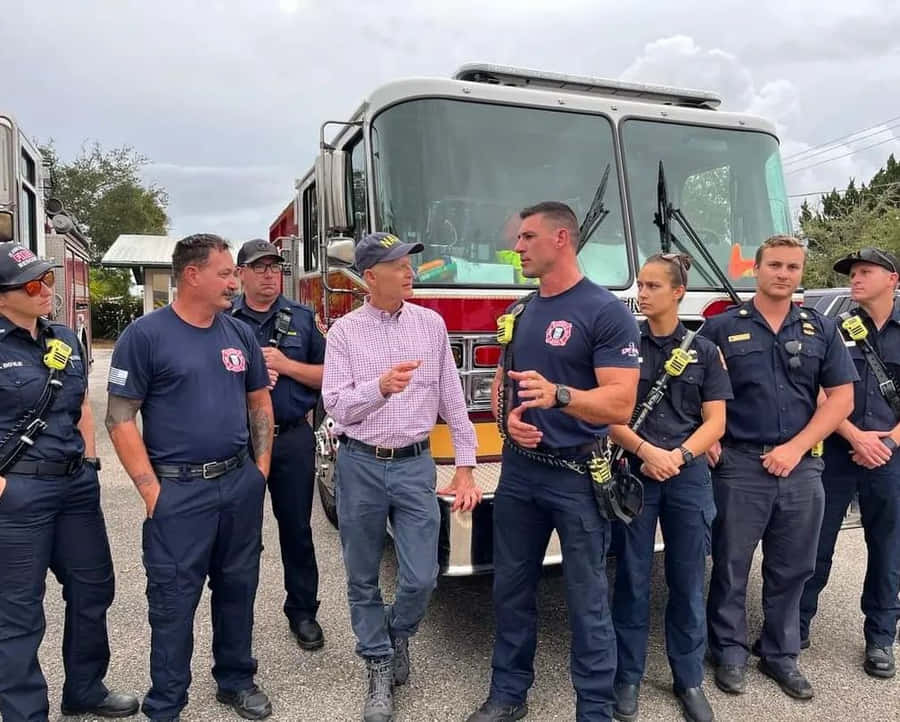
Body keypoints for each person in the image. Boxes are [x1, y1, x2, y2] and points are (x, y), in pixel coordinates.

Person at [467, 202, 640, 722]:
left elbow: (620, 405)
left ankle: (595, 708)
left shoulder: (605, 312)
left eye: (526, 237)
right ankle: (508, 694)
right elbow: (502, 386)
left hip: (579, 477)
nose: (517, 247)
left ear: (561, 238)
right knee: (510, 590)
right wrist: (507, 423)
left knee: (587, 600)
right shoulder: (520, 312)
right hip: (521, 474)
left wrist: (560, 396)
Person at [105, 234, 275, 722]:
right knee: (174, 602)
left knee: (238, 588)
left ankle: (236, 680)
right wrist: (151, 491)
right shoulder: (146, 335)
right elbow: (120, 417)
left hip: (237, 485)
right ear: (191, 275)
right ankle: (167, 702)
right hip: (178, 493)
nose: (234, 282)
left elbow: (258, 400)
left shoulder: (238, 334)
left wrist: (258, 472)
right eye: (225, 273)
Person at [322, 231, 482, 722]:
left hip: (415, 466)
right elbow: (336, 405)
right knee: (362, 575)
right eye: (399, 265)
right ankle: (377, 664)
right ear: (371, 277)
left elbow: (452, 398)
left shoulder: (431, 325)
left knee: (421, 576)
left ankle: (394, 635)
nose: (411, 271)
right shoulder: (345, 332)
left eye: (410, 263)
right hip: (361, 465)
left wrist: (467, 466)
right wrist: (380, 387)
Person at [701, 234, 856, 702]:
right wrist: (707, 437)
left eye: (792, 267)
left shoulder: (820, 330)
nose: (783, 274)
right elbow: (693, 389)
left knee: (794, 567)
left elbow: (841, 399)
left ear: (800, 273)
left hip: (801, 467)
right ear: (756, 269)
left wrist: (796, 448)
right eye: (774, 265)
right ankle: (726, 650)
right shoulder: (722, 329)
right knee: (730, 563)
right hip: (740, 464)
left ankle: (780, 653)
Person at [0, 243, 139, 721]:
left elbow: (79, 405)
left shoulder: (62, 337)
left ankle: (84, 688)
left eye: (48, 280)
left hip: (75, 486)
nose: (46, 291)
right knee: (19, 612)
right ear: (1, 298)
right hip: (17, 493)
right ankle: (24, 713)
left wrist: (92, 463)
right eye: (32, 285)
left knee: (92, 588)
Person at [609, 254, 731, 722]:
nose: (642, 293)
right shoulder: (623, 346)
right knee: (634, 581)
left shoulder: (703, 351)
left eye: (653, 285)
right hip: (637, 475)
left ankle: (689, 680)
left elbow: (716, 420)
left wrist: (677, 457)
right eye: (640, 284)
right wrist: (646, 453)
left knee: (686, 580)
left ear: (678, 292)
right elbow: (611, 416)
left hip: (688, 477)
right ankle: (628, 679)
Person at [800, 247, 900, 679]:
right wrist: (855, 435)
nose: (855, 279)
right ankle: (794, 626)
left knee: (888, 550)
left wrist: (888, 442)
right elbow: (820, 392)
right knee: (815, 543)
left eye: (864, 272)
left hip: (891, 456)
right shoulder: (835, 330)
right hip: (839, 450)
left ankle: (880, 638)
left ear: (892, 280)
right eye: (852, 273)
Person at [231, 239, 326, 651]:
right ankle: (237, 616)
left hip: (291, 438)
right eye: (260, 267)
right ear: (241, 275)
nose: (270, 274)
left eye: (275, 267)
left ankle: (302, 612)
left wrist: (286, 365)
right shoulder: (224, 321)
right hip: (239, 443)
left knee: (297, 530)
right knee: (240, 534)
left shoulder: (303, 320)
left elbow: (330, 376)